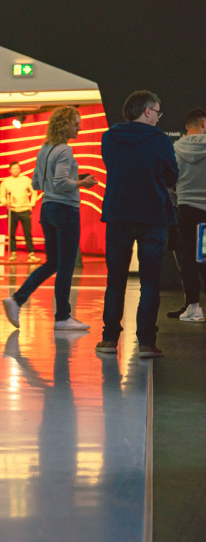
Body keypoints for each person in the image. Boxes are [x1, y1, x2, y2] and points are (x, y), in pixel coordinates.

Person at [96, 91, 179, 358]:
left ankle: (109, 340)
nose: (158, 117)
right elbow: (171, 175)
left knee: (115, 280)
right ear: (146, 111)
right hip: (153, 216)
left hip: (118, 214)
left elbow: (112, 166)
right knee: (150, 282)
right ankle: (145, 342)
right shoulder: (159, 139)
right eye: (157, 112)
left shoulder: (109, 137)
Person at [2, 107, 97, 331]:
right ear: (65, 125)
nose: (79, 127)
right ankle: (62, 317)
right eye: (76, 123)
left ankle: (17, 299)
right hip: (65, 210)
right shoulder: (64, 150)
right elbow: (62, 182)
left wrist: (63, 182)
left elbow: (36, 183)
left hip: (48, 210)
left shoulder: (44, 149)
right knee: (65, 265)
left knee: (53, 262)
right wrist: (82, 183)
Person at [173, 108, 206, 322]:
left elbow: (169, 177)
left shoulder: (175, 148)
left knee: (187, 259)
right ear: (203, 124)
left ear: (188, 126)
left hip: (185, 208)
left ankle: (194, 307)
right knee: (205, 258)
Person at [0, 161, 40, 261]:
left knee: (27, 233)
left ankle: (31, 253)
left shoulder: (26, 180)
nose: (16, 170)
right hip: (12, 210)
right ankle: (13, 253)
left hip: (25, 209)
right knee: (12, 233)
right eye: (13, 168)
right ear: (10, 170)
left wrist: (32, 204)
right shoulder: (6, 182)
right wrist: (5, 203)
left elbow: (34, 192)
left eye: (17, 168)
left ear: (20, 169)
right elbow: (1, 196)